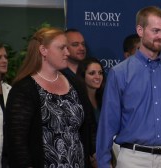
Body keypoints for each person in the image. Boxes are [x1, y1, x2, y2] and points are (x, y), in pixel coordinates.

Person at [96, 6, 161, 168]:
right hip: (133, 159)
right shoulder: (120, 72)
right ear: (140, 30)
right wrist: (103, 162)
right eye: (156, 31)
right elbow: (108, 122)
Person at [5, 27, 96, 168]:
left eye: (67, 47)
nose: (67, 52)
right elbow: (16, 142)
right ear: (43, 50)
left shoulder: (76, 84)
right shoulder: (24, 90)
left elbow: (89, 126)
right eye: (61, 48)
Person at [76, 56, 105, 123]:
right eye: (92, 73)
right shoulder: (77, 101)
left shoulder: (104, 99)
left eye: (100, 73)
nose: (97, 77)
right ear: (83, 76)